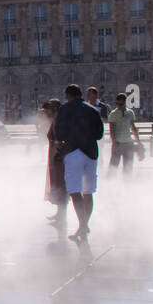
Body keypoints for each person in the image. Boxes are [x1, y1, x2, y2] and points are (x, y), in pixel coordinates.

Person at [54, 83, 104, 244]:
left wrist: (63, 141)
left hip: (73, 151)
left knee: (75, 191)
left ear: (68, 95)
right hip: (91, 152)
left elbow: (59, 131)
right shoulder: (92, 109)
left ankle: (82, 225)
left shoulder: (65, 109)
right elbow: (99, 134)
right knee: (88, 191)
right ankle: (84, 225)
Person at [39, 99, 67, 232]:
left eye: (47, 111)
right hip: (55, 157)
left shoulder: (59, 121)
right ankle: (59, 213)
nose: (46, 114)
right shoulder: (56, 121)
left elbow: (61, 140)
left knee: (60, 185)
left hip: (58, 158)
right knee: (57, 184)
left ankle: (62, 215)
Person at [107, 93, 141, 175]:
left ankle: (127, 185)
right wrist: (114, 143)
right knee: (113, 167)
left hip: (128, 143)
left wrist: (138, 141)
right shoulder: (113, 114)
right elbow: (112, 130)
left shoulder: (130, 113)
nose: (118, 106)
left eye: (121, 104)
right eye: (117, 104)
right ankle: (109, 184)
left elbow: (133, 128)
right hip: (118, 143)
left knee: (128, 168)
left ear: (125, 103)